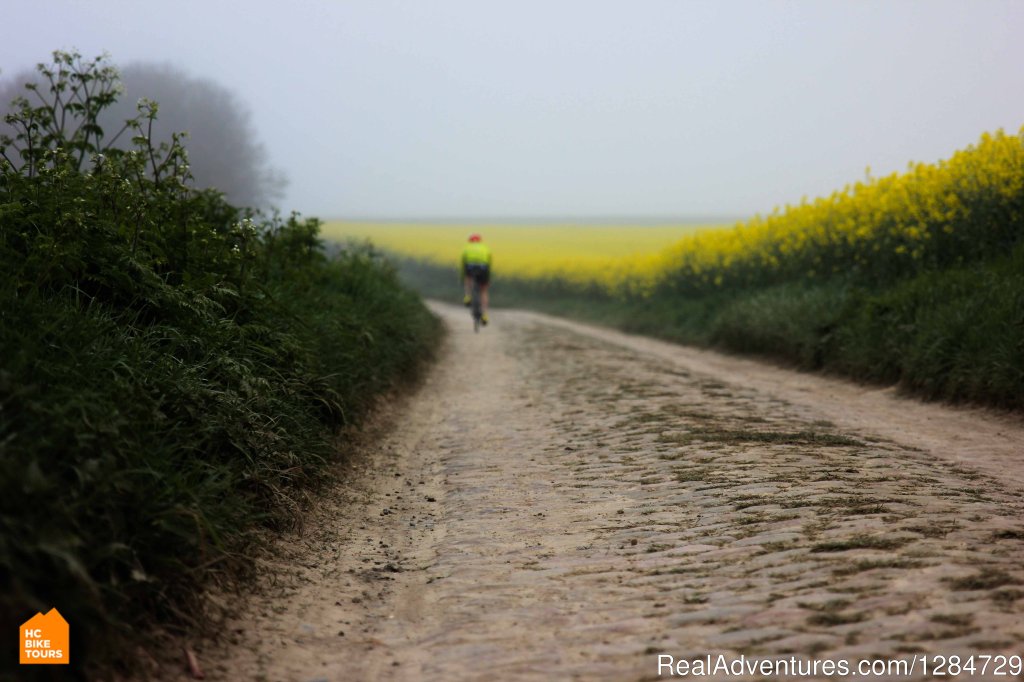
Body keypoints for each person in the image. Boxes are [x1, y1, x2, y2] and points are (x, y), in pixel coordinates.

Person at [460, 233, 492, 325]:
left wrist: (463, 277)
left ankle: (468, 296)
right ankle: (485, 315)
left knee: (468, 279)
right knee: (484, 291)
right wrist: (488, 278)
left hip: (470, 268)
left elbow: (462, 264)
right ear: (480, 241)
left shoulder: (467, 248)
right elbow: (489, 264)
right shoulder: (485, 248)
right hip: (483, 269)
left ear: (470, 241)